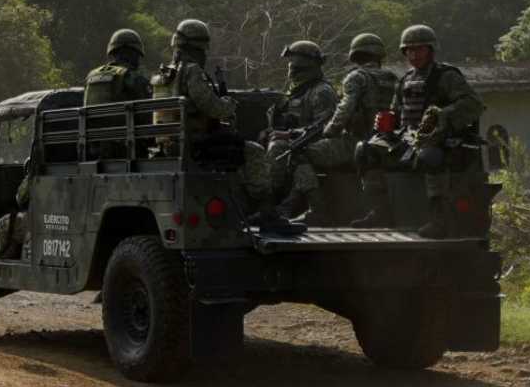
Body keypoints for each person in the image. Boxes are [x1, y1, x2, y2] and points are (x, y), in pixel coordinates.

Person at [152, 19, 295, 234]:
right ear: (199, 47)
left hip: (169, 143)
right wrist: (229, 105)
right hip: (196, 143)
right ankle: (268, 214)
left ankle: (241, 210)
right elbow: (212, 107)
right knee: (254, 151)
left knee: (234, 148)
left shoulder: (164, 74)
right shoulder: (191, 71)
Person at [355, 25, 485, 237]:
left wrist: (441, 115)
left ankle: (438, 219)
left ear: (431, 50)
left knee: (429, 157)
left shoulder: (447, 76)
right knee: (365, 150)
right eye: (409, 50)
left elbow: (473, 104)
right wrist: (386, 120)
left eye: (419, 50)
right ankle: (380, 211)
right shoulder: (405, 79)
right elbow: (397, 112)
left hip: (438, 139)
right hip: (406, 139)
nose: (414, 55)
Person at [282, 33, 398, 224]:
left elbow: (344, 112)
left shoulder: (356, 77)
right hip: (385, 145)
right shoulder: (392, 77)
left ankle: (317, 210)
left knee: (299, 152)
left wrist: (329, 133)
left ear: (355, 55)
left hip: (356, 143)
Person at [264, 41, 339, 218]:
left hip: (311, 144)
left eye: (295, 66)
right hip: (294, 141)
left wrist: (289, 135)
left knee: (282, 149)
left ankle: (273, 205)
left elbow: (324, 127)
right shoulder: (295, 91)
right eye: (290, 65)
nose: (290, 69)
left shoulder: (321, 91)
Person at [83, 29, 152, 105]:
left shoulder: (91, 75)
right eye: (137, 55)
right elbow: (148, 107)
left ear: (113, 52)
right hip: (123, 117)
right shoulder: (132, 77)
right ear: (133, 53)